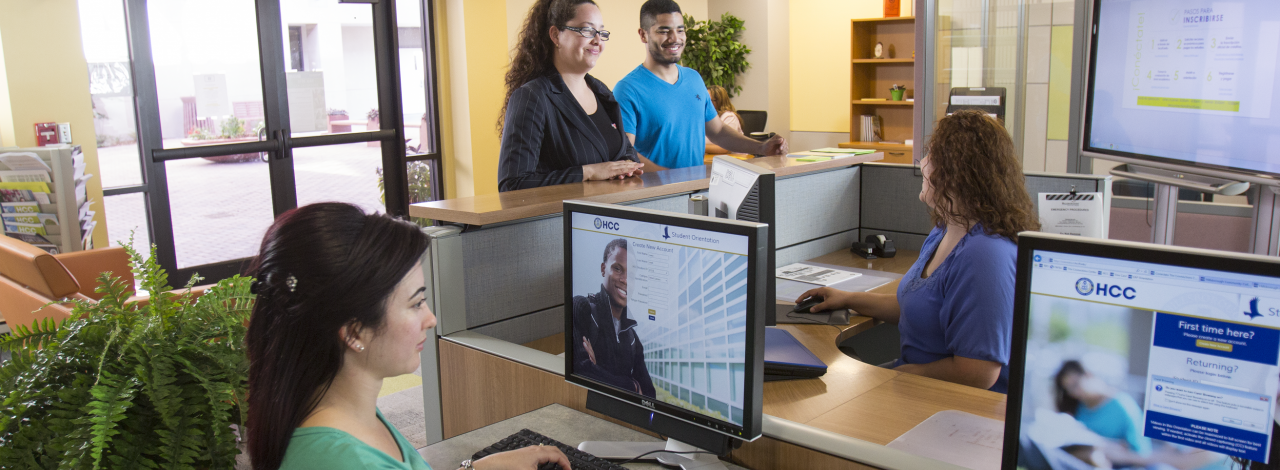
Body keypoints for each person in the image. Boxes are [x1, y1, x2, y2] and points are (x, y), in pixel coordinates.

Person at [245, 203, 571, 470]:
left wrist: (478, 468)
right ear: (355, 331)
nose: (430, 318)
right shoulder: (342, 460)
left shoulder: (339, 408)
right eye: (416, 303)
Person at [798, 110, 1039, 393]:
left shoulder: (985, 255)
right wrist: (848, 299)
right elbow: (919, 307)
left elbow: (977, 372)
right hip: (917, 384)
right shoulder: (946, 229)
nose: (922, 164)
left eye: (930, 157)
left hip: (958, 408)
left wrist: (896, 375)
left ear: (955, 173)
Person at [613, 0, 787, 170]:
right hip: (656, 195)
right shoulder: (628, 89)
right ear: (643, 34)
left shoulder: (693, 78)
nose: (675, 38)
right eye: (664, 31)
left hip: (696, 191)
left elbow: (718, 131)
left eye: (680, 30)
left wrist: (761, 148)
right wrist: (669, 180)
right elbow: (626, 153)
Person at [497, 0, 644, 192]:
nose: (597, 41)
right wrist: (588, 172)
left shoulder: (602, 92)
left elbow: (626, 155)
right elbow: (512, 184)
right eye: (587, 31)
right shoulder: (532, 97)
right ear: (556, 35)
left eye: (601, 32)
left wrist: (629, 168)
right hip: (561, 220)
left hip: (610, 217)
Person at [571, 238, 656, 398]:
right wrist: (633, 386)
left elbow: (650, 396)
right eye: (618, 269)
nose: (625, 280)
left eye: (631, 274)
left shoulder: (633, 339)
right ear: (603, 269)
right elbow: (581, 371)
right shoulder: (581, 308)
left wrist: (596, 369)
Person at [704, 85, 743, 155]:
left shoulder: (729, 117)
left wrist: (699, 148)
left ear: (719, 101)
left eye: (708, 100)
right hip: (712, 160)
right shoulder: (705, 118)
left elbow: (724, 148)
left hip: (735, 162)